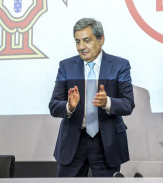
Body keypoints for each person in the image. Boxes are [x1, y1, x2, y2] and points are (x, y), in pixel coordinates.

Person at [49, 18, 135, 177]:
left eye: (86, 41)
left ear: (101, 39)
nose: (81, 47)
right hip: (73, 143)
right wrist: (69, 106)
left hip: (107, 144)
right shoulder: (66, 66)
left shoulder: (120, 65)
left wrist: (107, 102)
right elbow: (54, 106)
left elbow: (128, 104)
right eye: (77, 42)